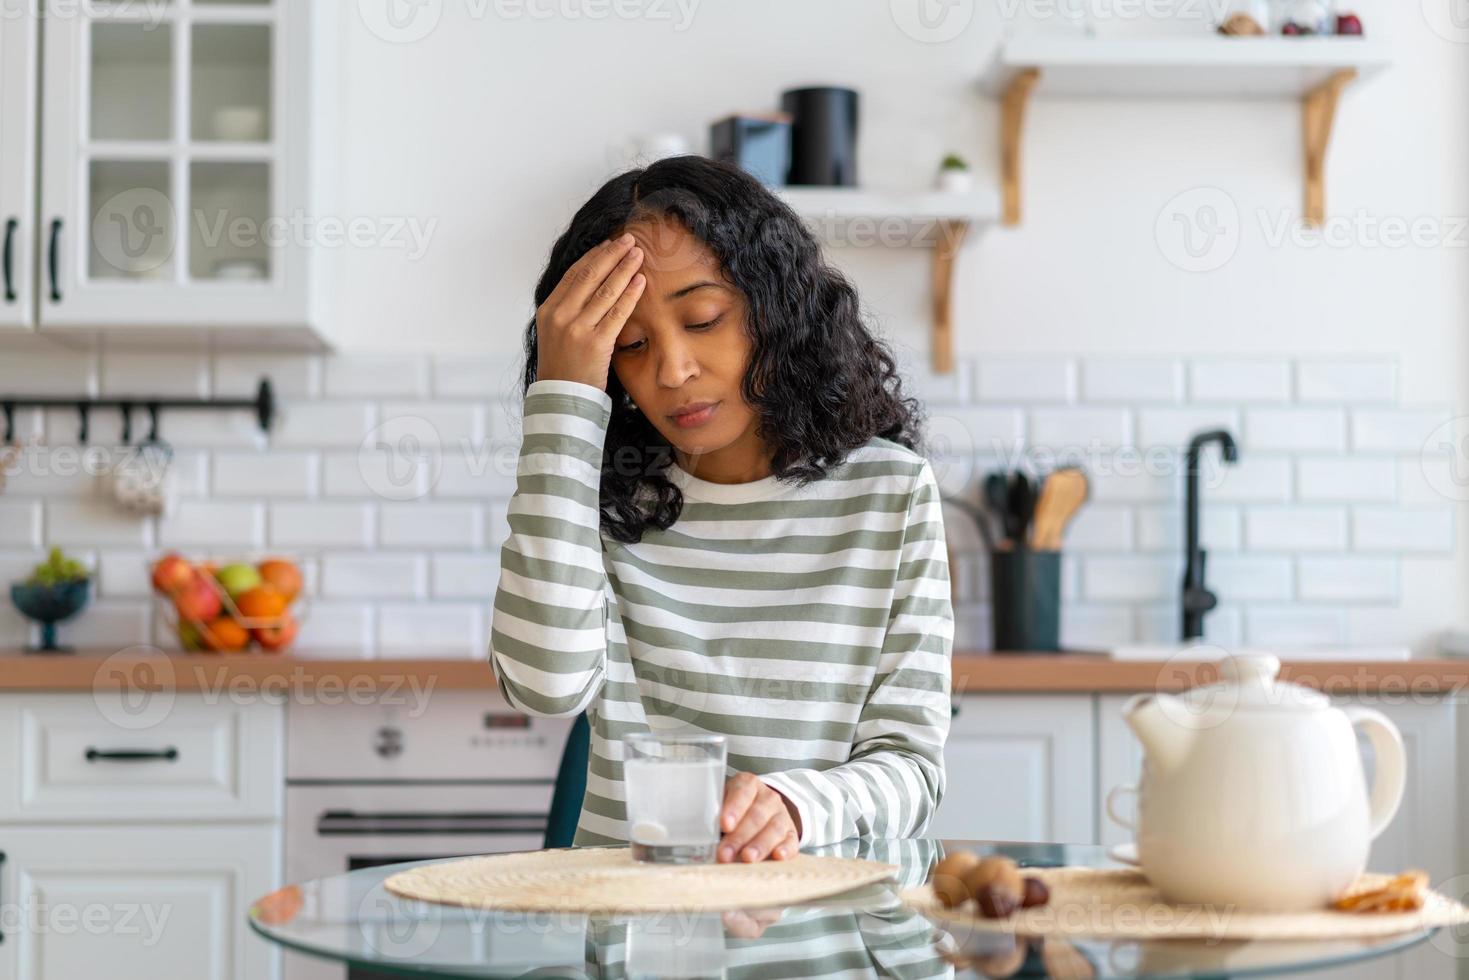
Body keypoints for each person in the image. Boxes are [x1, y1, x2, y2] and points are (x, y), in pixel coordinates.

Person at [489, 155, 953, 863]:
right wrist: (561, 400)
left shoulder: (889, 494)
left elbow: (912, 771)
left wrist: (798, 806)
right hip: (637, 933)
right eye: (631, 345)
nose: (671, 371)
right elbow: (544, 687)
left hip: (823, 939)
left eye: (703, 319)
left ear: (776, 309)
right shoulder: (600, 496)